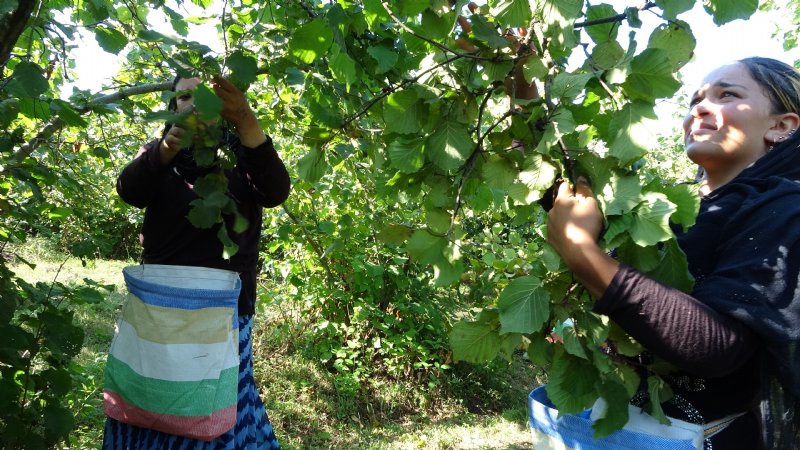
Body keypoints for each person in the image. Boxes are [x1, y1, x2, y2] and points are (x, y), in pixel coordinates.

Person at [546, 57, 800, 450]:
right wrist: (525, 88)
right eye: (694, 99)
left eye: (727, 95)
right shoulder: (669, 209)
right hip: (621, 427)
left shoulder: (784, 210)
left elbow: (719, 347)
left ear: (781, 126)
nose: (698, 107)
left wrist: (582, 254)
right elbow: (567, 199)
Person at [106, 75, 290, 449]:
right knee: (150, 394)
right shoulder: (160, 155)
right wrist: (166, 148)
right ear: (173, 106)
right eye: (185, 96)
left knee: (210, 406)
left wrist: (246, 120)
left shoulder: (242, 152)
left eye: (205, 95)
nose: (195, 103)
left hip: (223, 310)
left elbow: (275, 191)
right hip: (157, 307)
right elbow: (130, 190)